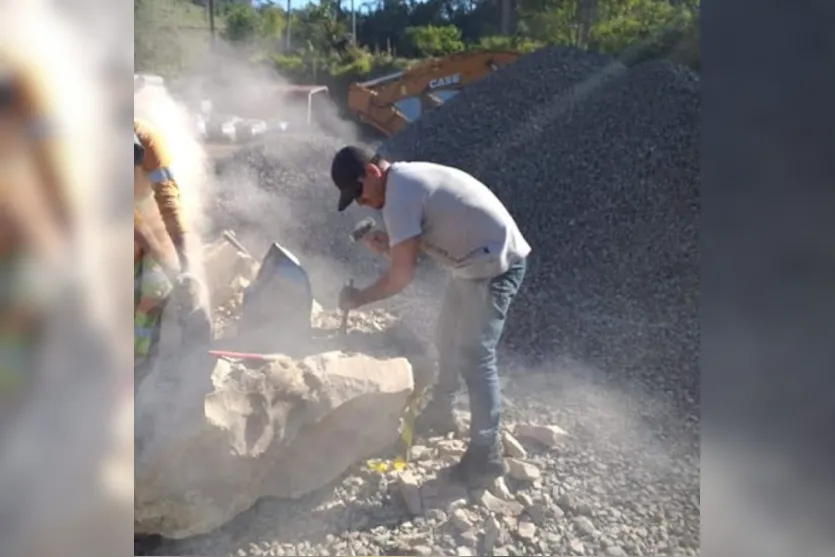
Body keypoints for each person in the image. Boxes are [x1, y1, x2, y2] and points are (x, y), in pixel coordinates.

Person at [330, 145, 531, 486]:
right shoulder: (403, 184)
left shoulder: (400, 195)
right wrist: (391, 248)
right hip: (472, 264)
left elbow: (402, 276)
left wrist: (359, 298)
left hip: (495, 265)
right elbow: (414, 251)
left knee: (475, 355)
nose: (361, 203)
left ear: (373, 173)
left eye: (359, 194)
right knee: (446, 337)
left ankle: (486, 456)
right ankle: (442, 412)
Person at [134, 121, 211, 385]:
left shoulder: (150, 142)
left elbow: (169, 201)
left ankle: (142, 369)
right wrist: (166, 261)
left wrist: (185, 267)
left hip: (147, 231)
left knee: (155, 291)